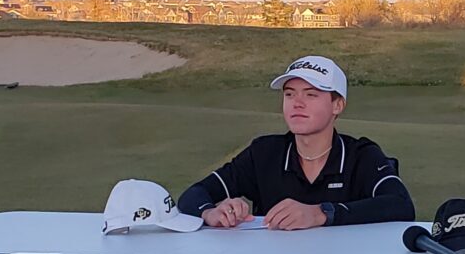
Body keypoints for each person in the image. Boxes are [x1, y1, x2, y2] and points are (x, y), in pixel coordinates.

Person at [177, 55, 415, 230]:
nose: (297, 103)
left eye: (311, 94)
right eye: (289, 94)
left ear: (337, 105)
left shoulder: (361, 155)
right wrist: (210, 213)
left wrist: (321, 214)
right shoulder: (264, 153)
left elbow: (401, 206)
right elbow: (194, 194)